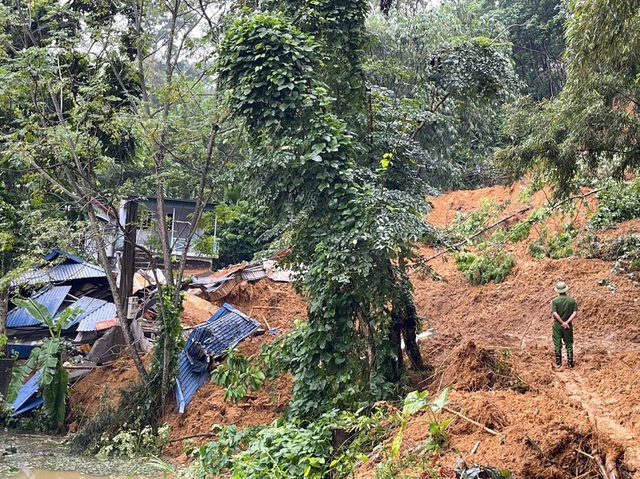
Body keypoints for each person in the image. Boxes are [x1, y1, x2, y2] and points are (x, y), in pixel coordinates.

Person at [551, 281, 578, 368]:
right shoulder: (571, 300)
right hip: (568, 325)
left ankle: (559, 363)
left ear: (557, 291)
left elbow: (555, 313)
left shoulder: (555, 301)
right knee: (569, 343)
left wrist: (562, 322)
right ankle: (570, 363)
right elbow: (575, 313)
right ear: (565, 289)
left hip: (558, 325)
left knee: (557, 342)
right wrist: (567, 322)